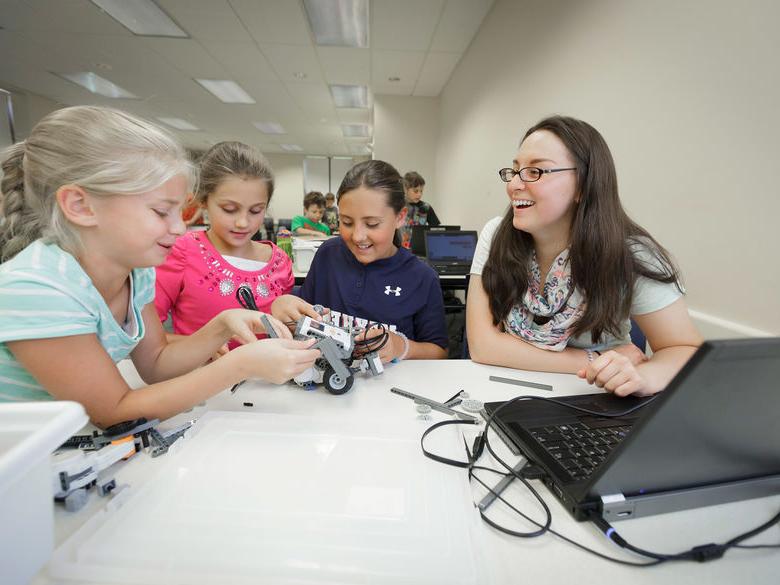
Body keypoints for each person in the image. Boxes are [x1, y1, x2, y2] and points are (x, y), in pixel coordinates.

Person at [0, 106, 319, 427]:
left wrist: (222, 324)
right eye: (160, 211)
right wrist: (240, 366)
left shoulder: (135, 272)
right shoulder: (39, 288)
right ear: (81, 206)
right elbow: (114, 412)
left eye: (179, 212)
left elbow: (156, 365)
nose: (180, 229)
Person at [466, 115, 702, 397]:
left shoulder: (630, 253)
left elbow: (686, 350)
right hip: (503, 390)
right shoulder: (496, 235)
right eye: (516, 170)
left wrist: (643, 376)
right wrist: (592, 360)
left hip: (593, 398)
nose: (515, 185)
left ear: (582, 185)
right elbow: (483, 346)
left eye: (536, 172)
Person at [272, 160, 448, 362]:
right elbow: (303, 315)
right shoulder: (328, 255)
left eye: (372, 224)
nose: (357, 236)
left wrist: (401, 346)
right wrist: (284, 306)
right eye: (346, 222)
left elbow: (439, 352)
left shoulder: (422, 277)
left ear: (400, 217)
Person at [155, 141, 293, 350]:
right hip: (204, 377)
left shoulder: (280, 262)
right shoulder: (181, 252)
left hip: (266, 380)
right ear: (203, 201)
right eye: (229, 209)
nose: (243, 222)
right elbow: (146, 339)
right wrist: (204, 346)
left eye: (255, 211)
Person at [399, 171, 440, 249]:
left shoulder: (426, 207)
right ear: (405, 189)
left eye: (421, 191)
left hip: (420, 250)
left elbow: (436, 229)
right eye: (416, 191)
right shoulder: (398, 206)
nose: (419, 194)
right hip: (400, 250)